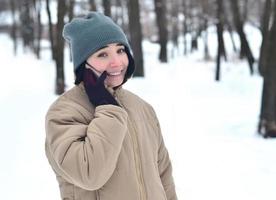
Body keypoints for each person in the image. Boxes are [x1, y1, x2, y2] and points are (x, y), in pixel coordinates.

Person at [45, 12, 178, 200]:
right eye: (102, 54)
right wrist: (107, 106)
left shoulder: (142, 108)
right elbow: (89, 175)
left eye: (120, 50)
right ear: (84, 64)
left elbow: (163, 175)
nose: (116, 62)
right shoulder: (64, 112)